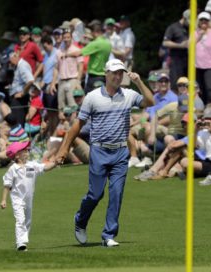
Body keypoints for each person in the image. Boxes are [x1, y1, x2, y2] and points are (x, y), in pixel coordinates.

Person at [55, 59, 154, 247]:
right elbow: (78, 125)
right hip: (99, 150)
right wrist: (64, 148)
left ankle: (108, 235)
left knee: (116, 194)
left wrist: (139, 82)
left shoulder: (129, 94)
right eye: (114, 73)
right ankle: (80, 221)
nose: (118, 76)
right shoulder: (92, 97)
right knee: (95, 194)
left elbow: (150, 101)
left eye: (121, 73)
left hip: (120, 152)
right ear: (106, 74)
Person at [1, 141, 56, 251]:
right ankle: (20, 243)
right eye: (24, 150)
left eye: (27, 150)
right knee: (20, 219)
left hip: (29, 199)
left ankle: (23, 242)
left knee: (28, 220)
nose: (27, 151)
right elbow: (7, 185)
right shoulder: (13, 169)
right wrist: (3, 200)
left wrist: (56, 163)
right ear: (17, 155)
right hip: (17, 199)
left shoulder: (32, 165)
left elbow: (45, 167)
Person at [195, 11, 211, 109]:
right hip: (197, 66)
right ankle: (203, 107)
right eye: (201, 20)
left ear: (209, 21)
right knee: (200, 88)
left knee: (210, 87)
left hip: (210, 65)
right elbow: (190, 46)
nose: (203, 22)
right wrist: (199, 36)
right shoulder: (195, 33)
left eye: (205, 20)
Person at [162, 10, 189, 90]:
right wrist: (180, 45)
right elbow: (165, 43)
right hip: (176, 60)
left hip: (188, 60)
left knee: (187, 83)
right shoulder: (173, 27)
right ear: (184, 18)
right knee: (176, 83)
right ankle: (175, 100)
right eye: (189, 21)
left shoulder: (190, 28)